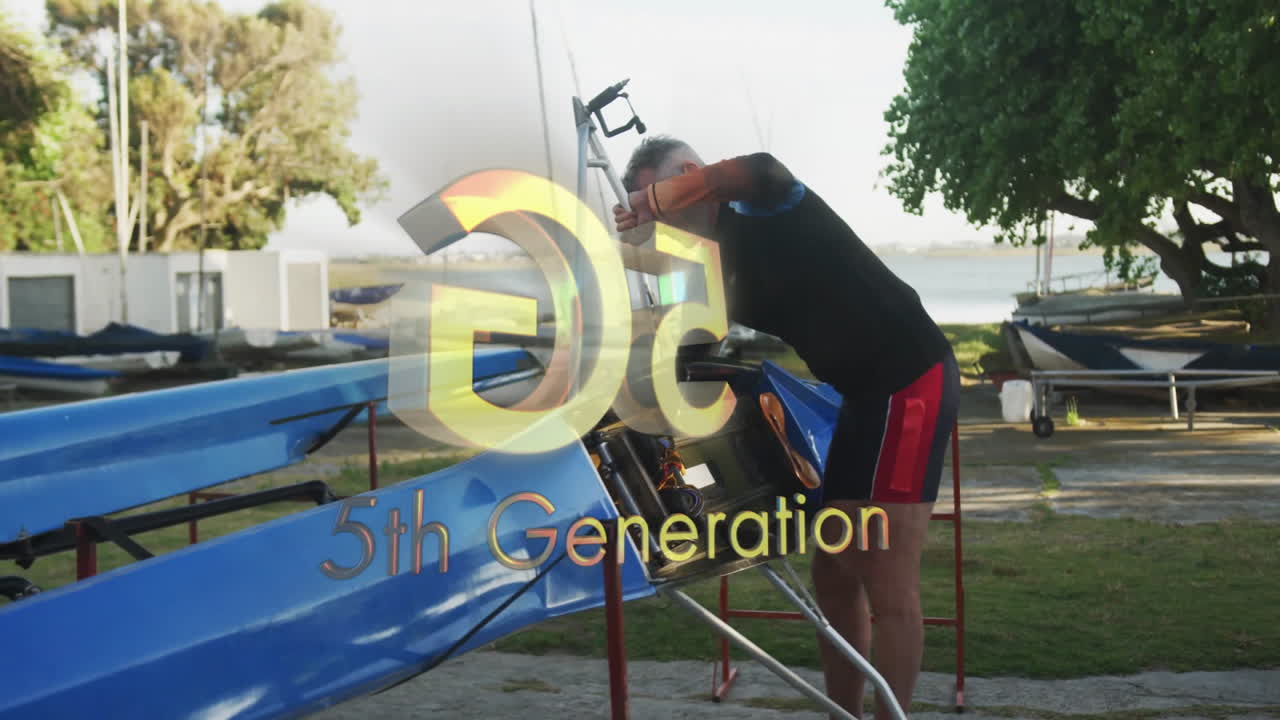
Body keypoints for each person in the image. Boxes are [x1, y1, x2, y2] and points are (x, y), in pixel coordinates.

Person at [614, 136, 960, 718]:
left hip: (911, 377)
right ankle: (844, 712)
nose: (657, 217)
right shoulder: (708, 262)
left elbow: (761, 169)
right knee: (833, 568)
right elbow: (693, 342)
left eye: (662, 203)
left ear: (690, 179)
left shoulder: (762, 202)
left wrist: (654, 197)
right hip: (860, 395)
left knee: (886, 572)